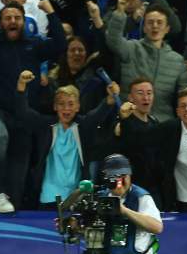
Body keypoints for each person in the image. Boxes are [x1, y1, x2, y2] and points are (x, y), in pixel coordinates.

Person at [0, 0, 67, 213]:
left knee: (17, 187)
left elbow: (60, 45)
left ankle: (10, 216)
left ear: (24, 22)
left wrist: (51, 13)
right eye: (8, 18)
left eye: (17, 18)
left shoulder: (34, 45)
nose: (13, 22)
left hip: (23, 118)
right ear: (0, 23)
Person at [15, 70, 119, 209]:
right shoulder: (46, 126)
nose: (66, 108)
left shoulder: (83, 126)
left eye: (71, 104)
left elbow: (99, 113)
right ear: (55, 106)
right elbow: (23, 113)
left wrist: (111, 97)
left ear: (77, 107)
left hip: (76, 198)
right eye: (61, 104)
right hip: (48, 197)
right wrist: (21, 85)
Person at [105, 0, 187, 123]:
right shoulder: (131, 48)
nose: (155, 26)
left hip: (163, 124)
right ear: (144, 27)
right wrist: (119, 12)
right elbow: (113, 40)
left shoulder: (177, 60)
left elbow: (186, 94)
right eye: (150, 22)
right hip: (130, 119)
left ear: (167, 29)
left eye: (159, 22)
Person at [92, 153, 163, 254]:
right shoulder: (102, 197)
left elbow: (157, 227)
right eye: (114, 177)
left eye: (124, 176)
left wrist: (124, 210)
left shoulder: (141, 197)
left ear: (129, 175)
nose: (120, 182)